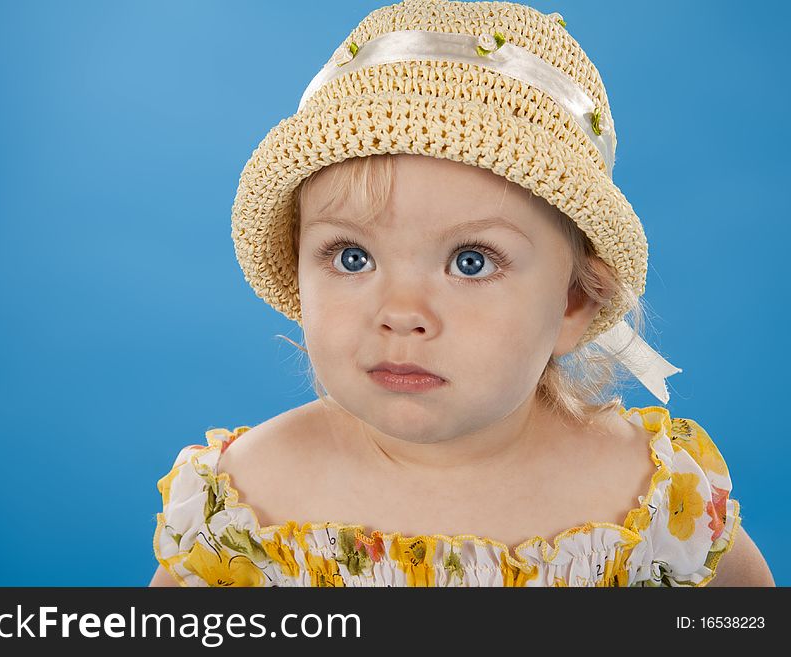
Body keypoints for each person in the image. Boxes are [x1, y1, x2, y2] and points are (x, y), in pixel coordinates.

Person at [150, 0, 773, 587]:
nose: (401, 314)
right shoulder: (245, 500)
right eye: (352, 256)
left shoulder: (654, 499)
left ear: (573, 303)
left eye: (471, 262)